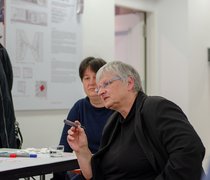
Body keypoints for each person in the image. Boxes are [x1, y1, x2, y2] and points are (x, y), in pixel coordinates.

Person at [67, 61, 205, 180]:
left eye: (106, 84)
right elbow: (95, 175)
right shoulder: (113, 123)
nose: (100, 92)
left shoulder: (156, 107)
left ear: (129, 83)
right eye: (99, 88)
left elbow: (190, 151)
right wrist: (82, 149)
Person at [52, 57, 114, 180]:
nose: (91, 83)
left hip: (108, 171)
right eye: (86, 78)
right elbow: (64, 148)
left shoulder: (115, 108)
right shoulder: (79, 107)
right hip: (83, 169)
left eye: (96, 77)